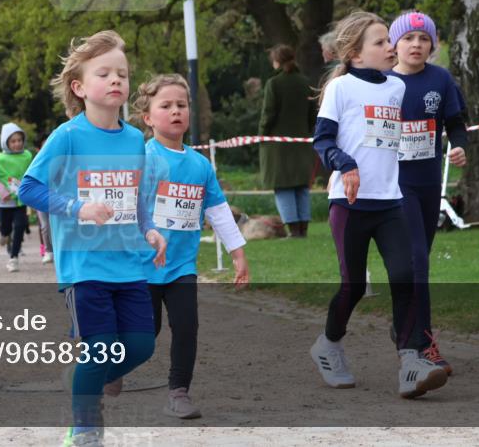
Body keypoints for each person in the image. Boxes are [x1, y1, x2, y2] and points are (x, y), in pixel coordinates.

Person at [18, 30, 167, 446]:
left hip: (128, 263)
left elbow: (135, 196)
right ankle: (84, 426)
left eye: (122, 73)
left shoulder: (137, 139)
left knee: (140, 346)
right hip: (83, 267)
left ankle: (85, 375)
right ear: (79, 87)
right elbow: (28, 188)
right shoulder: (68, 136)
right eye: (105, 73)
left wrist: (150, 229)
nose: (116, 80)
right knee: (100, 347)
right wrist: (76, 207)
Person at [309, 11, 447, 399]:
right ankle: (329, 345)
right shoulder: (341, 89)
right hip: (349, 203)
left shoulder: (395, 88)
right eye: (382, 42)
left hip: (390, 201)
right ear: (355, 54)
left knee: (406, 276)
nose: (391, 47)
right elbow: (322, 141)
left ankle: (411, 362)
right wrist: (345, 164)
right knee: (352, 286)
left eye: (390, 40)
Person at [134, 73, 249, 419]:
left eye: (181, 105)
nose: (175, 111)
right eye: (165, 105)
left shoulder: (200, 165)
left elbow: (218, 212)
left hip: (182, 266)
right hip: (142, 266)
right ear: (148, 117)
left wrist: (238, 254)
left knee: (187, 328)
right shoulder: (141, 157)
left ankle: (178, 391)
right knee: (144, 335)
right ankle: (111, 368)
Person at [387, 10, 467, 375]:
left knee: (418, 262)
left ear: (432, 45)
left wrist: (459, 145)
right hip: (395, 184)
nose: (416, 45)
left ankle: (403, 323)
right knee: (417, 260)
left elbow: (455, 123)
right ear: (395, 44)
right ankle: (423, 343)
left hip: (429, 181)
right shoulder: (383, 83)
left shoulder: (441, 79)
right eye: (408, 39)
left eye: (423, 39)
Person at [259, 44, 317, 238]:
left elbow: (268, 114)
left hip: (278, 146)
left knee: (283, 186)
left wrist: (262, 135)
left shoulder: (274, 84)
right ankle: (303, 229)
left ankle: (292, 231)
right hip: (301, 143)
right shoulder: (305, 82)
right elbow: (312, 115)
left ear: (277, 61)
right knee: (301, 186)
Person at [0, 123, 35, 269]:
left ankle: (14, 258)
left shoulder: (27, 156)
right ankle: (3, 234)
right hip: (4, 201)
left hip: (20, 200)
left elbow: (31, 174)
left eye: (19, 140)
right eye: (13, 141)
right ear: (6, 143)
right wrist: (3, 193)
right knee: (6, 228)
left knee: (19, 226)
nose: (17, 144)